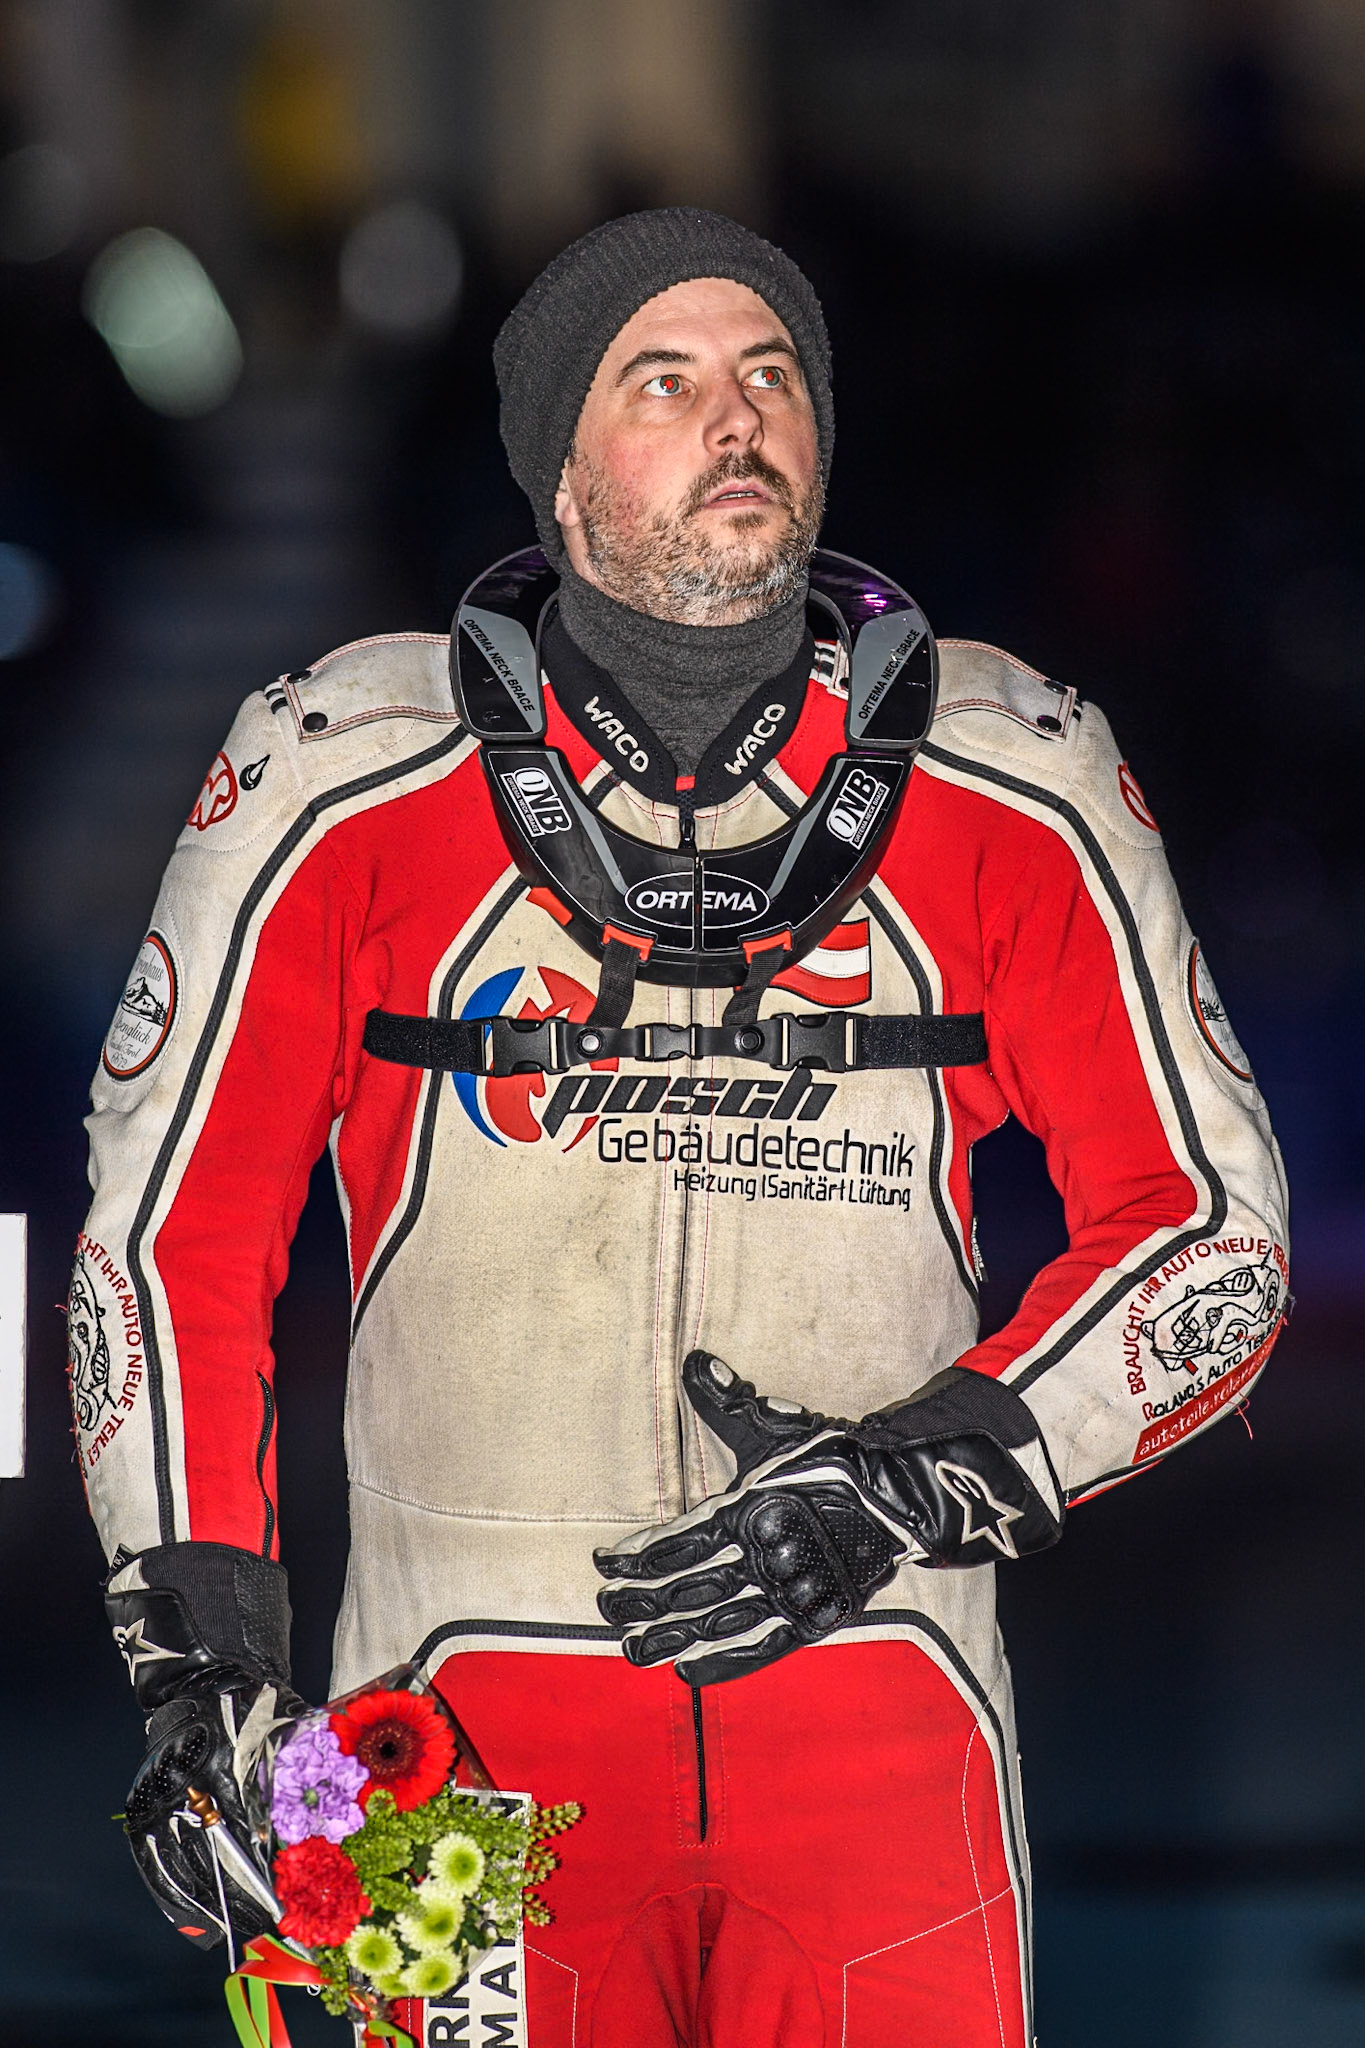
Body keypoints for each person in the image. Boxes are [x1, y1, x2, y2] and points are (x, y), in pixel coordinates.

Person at [74, 209, 1288, 2046]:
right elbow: (166, 1238)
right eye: (664, 382)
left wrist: (914, 1474)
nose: (737, 421)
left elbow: (1213, 1229)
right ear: (562, 475)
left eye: (770, 376)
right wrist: (201, 1670)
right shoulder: (334, 768)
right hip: (449, 1732)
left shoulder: (1019, 771)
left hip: (885, 1709)